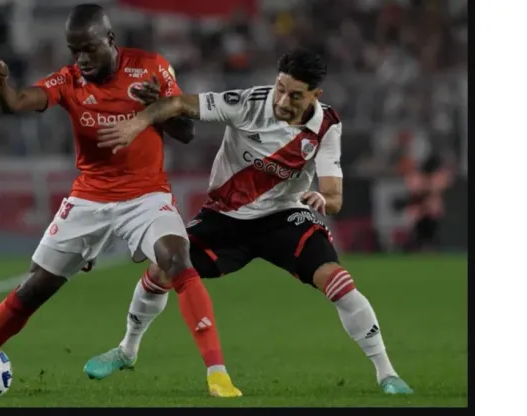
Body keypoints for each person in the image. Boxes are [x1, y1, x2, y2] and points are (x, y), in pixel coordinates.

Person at [0, 3, 241, 398]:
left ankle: (217, 374)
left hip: (145, 195)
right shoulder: (68, 80)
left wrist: (158, 110)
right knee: (35, 287)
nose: (81, 58)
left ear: (110, 40)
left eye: (88, 49)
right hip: (89, 198)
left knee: (175, 258)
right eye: (74, 50)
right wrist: (1, 88)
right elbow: (18, 102)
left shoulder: (152, 66)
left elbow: (185, 132)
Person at [84, 48, 413, 395]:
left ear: (316, 96)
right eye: (280, 88)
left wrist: (321, 200)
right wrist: (138, 122)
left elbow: (334, 196)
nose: (283, 100)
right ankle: (127, 349)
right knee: (161, 270)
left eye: (295, 95)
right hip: (225, 217)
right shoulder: (248, 102)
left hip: (283, 216)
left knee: (337, 279)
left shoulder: (328, 126)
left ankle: (386, 373)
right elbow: (181, 105)